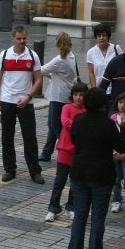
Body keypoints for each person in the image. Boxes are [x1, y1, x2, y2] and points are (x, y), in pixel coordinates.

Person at [67, 87, 122, 249]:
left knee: (80, 216)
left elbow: (74, 140)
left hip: (79, 173)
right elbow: (122, 147)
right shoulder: (108, 124)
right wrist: (123, 128)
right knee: (98, 219)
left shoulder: (78, 120)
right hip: (101, 176)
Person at [0, 25, 44, 184]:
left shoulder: (33, 56)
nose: (22, 41)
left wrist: (28, 96)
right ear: (12, 39)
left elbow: (38, 79)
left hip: (26, 102)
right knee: (7, 137)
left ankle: (35, 171)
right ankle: (9, 169)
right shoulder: (4, 55)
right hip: (7, 101)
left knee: (30, 137)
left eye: (24, 38)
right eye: (19, 38)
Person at [45, 82, 86, 222]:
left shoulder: (87, 111)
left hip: (79, 151)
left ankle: (71, 207)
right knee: (59, 181)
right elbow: (65, 122)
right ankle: (53, 208)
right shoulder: (66, 107)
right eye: (76, 94)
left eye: (81, 95)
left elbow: (73, 124)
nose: (78, 97)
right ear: (72, 95)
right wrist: (80, 126)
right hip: (65, 149)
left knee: (75, 182)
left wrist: (76, 125)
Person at [39, 31, 80, 162]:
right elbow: (59, 73)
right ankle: (46, 153)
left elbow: (41, 70)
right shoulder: (71, 56)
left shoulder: (59, 60)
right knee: (52, 125)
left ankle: (69, 148)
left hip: (57, 96)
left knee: (55, 125)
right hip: (66, 93)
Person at [86, 23, 117, 88]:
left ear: (108, 37)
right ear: (96, 37)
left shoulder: (116, 49)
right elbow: (91, 73)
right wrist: (94, 89)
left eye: (104, 35)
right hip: (99, 88)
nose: (101, 38)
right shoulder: (90, 52)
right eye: (99, 36)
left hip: (114, 87)